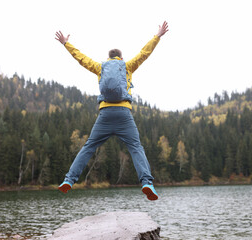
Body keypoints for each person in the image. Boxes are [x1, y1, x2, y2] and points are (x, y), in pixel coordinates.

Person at [55, 21, 169, 201]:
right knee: (136, 148)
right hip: (123, 114)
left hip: (105, 115)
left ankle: (69, 179)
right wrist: (158, 36)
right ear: (121, 58)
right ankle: (147, 183)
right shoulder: (127, 66)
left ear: (108, 59)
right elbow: (144, 53)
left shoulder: (100, 67)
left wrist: (66, 43)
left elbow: (81, 58)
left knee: (88, 147)